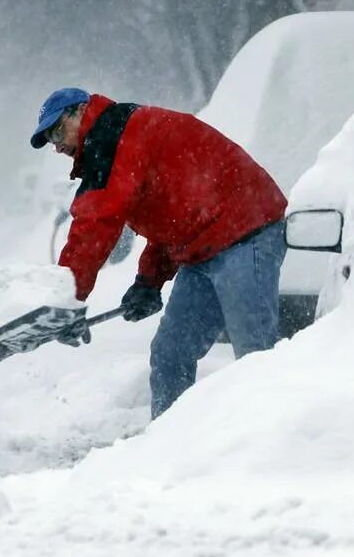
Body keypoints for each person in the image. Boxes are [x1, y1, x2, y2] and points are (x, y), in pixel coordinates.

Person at [29, 87, 288, 419]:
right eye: (50, 139)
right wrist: (148, 282)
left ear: (80, 112)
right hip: (204, 244)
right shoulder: (115, 140)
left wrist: (67, 299)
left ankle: (268, 443)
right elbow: (173, 215)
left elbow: (95, 224)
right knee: (170, 353)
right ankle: (166, 446)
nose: (57, 145)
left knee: (254, 354)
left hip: (246, 230)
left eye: (57, 130)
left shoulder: (112, 137)